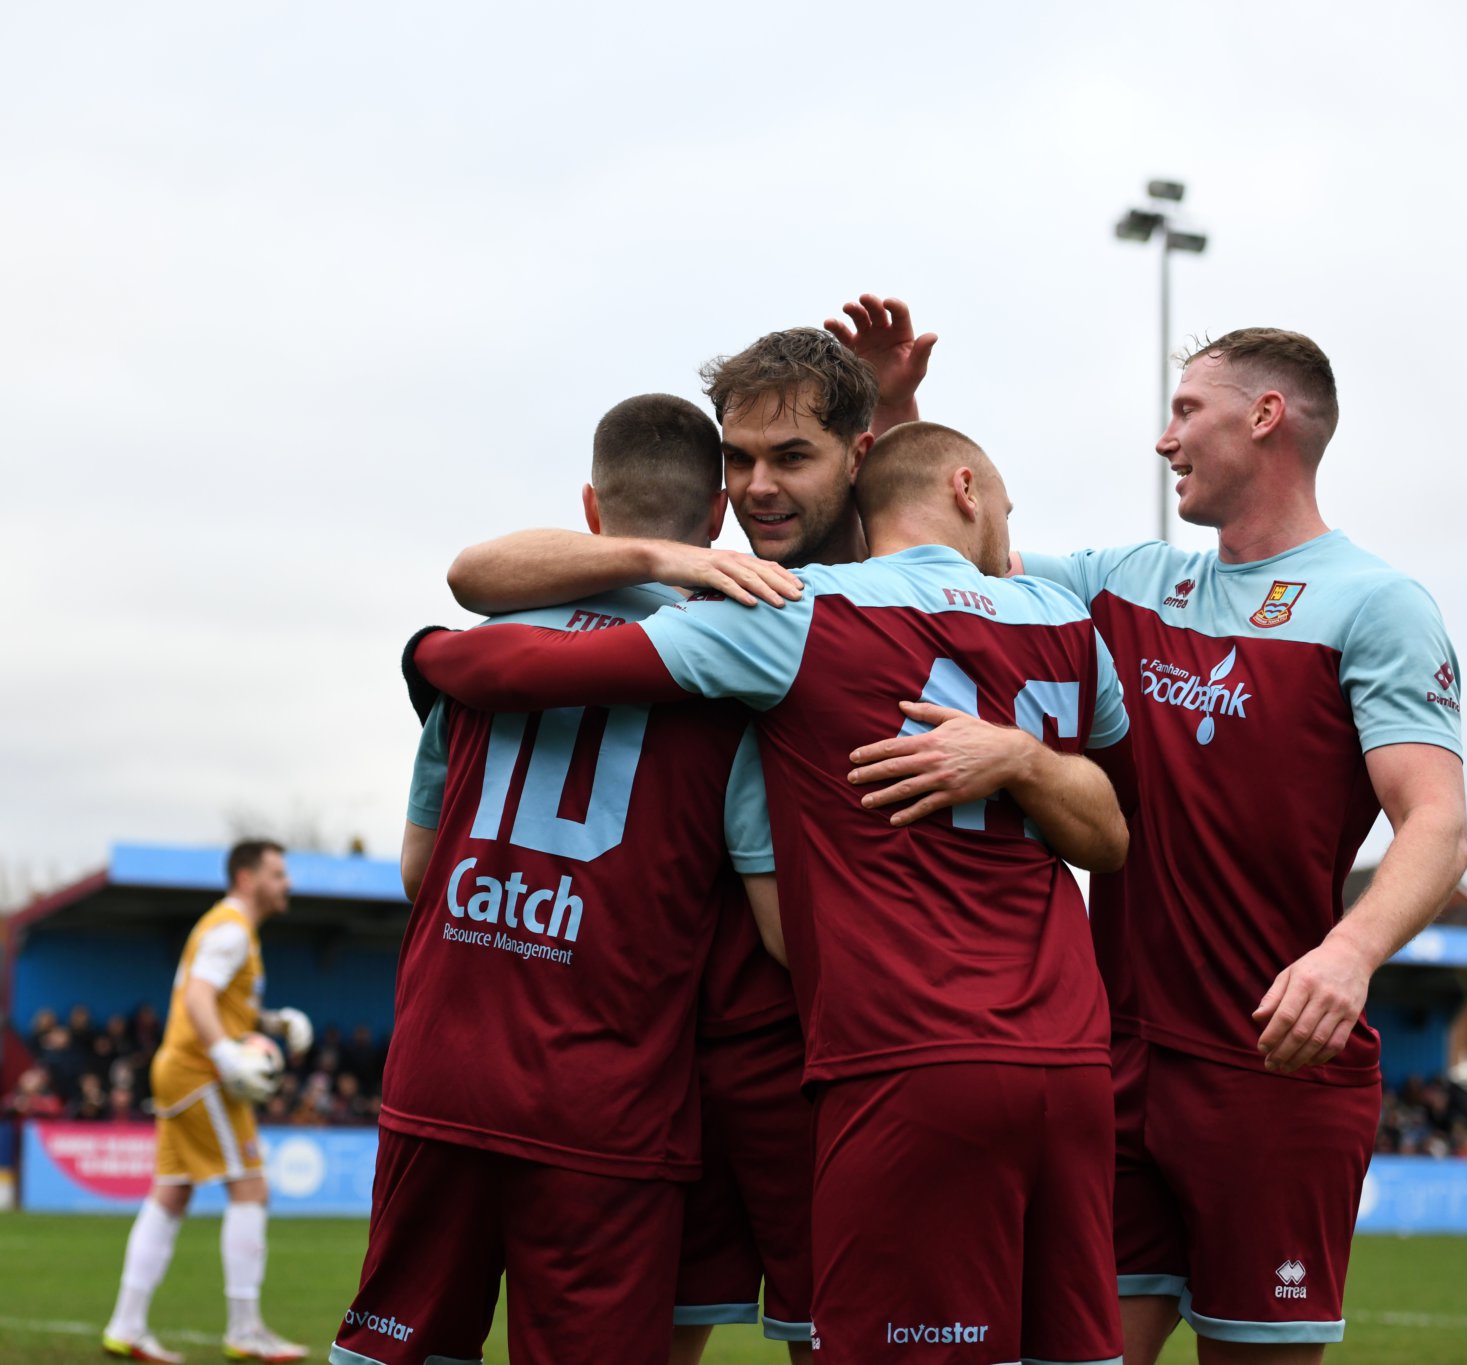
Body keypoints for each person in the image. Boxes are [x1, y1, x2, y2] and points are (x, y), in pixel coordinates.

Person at [411, 419, 1132, 1365]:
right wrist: (1033, 756)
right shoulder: (1060, 618)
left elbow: (527, 649)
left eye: (787, 457)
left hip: (889, 1057)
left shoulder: (803, 611)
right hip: (1059, 1058)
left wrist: (432, 658)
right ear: (968, 488)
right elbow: (1113, 833)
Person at [870, 327, 1467, 1362]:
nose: (1164, 439)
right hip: (1114, 1067)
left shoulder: (1375, 605)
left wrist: (1347, 953)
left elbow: (1438, 825)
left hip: (1274, 1070)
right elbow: (942, 555)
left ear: (1265, 417)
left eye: (1187, 411)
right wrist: (894, 422)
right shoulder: (1126, 582)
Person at [442, 300, 930, 1362]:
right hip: (663, 1066)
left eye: (791, 456)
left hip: (819, 1057)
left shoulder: (874, 596)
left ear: (857, 456)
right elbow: (477, 575)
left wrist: (1026, 759)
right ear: (713, 497)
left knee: (834, 1335)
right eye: (742, 460)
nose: (761, 486)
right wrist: (671, 564)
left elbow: (936, 517)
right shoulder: (709, 602)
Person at [332, 394, 776, 1365]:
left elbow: (417, 867)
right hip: (603, 1090)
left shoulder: (481, 658)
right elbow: (775, 926)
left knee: (393, 1345)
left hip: (441, 1065)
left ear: (588, 507)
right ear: (714, 521)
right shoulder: (731, 674)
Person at [101, 839, 315, 1365]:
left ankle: (125, 1326)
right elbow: (198, 997)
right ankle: (245, 1331)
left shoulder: (227, 928)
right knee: (252, 1187)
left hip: (179, 1069)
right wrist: (225, 1055)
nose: (286, 884)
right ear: (247, 878)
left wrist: (274, 1022)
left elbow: (219, 1000)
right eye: (277, 873)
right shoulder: (232, 930)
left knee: (171, 1194)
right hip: (200, 1074)